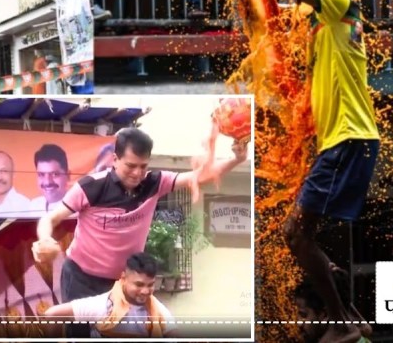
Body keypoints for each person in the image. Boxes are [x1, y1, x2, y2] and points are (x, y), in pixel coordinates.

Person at [209, 0, 381, 343]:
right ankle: (351, 314)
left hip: (349, 140)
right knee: (306, 235)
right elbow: (267, 2)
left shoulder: (340, 1)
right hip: (341, 143)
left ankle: (341, 322)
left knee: (295, 234)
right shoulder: (318, 19)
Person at [33, 126, 246, 334]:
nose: (137, 173)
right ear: (115, 159)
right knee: (80, 336)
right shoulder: (91, 187)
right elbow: (50, 218)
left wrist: (236, 159)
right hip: (82, 277)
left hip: (122, 283)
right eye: (131, 166)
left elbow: (199, 177)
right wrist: (44, 240)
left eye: (143, 166)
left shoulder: (155, 183)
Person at [44, 252, 176, 338]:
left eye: (150, 285)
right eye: (139, 285)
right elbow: (52, 315)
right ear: (123, 278)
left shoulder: (157, 310)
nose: (145, 291)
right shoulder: (104, 305)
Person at [28, 144, 70, 215]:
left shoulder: (79, 209)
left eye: (54, 174)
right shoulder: (33, 206)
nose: (47, 182)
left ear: (68, 176)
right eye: (41, 174)